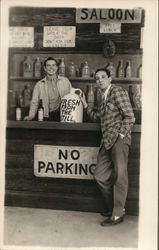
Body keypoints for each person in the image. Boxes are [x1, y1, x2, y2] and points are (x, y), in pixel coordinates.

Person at [80, 68, 135, 226]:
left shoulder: (117, 92)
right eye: (97, 78)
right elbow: (98, 118)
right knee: (100, 176)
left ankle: (117, 214)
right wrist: (84, 103)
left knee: (119, 176)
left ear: (110, 78)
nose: (100, 80)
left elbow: (130, 116)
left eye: (103, 77)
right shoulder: (102, 97)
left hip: (118, 140)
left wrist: (121, 136)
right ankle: (115, 208)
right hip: (107, 141)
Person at [24, 57, 72, 121]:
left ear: (57, 68)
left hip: (63, 116)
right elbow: (34, 103)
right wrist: (30, 116)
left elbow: (72, 98)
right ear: (45, 68)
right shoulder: (39, 85)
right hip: (46, 116)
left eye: (53, 65)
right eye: (48, 65)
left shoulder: (65, 81)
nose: (51, 68)